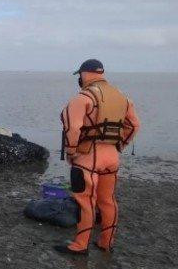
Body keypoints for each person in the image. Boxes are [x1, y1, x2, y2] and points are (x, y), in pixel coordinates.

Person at [54, 59, 140, 255]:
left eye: (80, 75)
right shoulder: (123, 98)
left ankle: (80, 245)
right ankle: (106, 243)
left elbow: (73, 128)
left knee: (85, 201)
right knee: (108, 201)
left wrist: (71, 152)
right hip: (112, 157)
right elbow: (134, 126)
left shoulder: (82, 98)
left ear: (85, 74)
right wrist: (119, 144)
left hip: (87, 158)